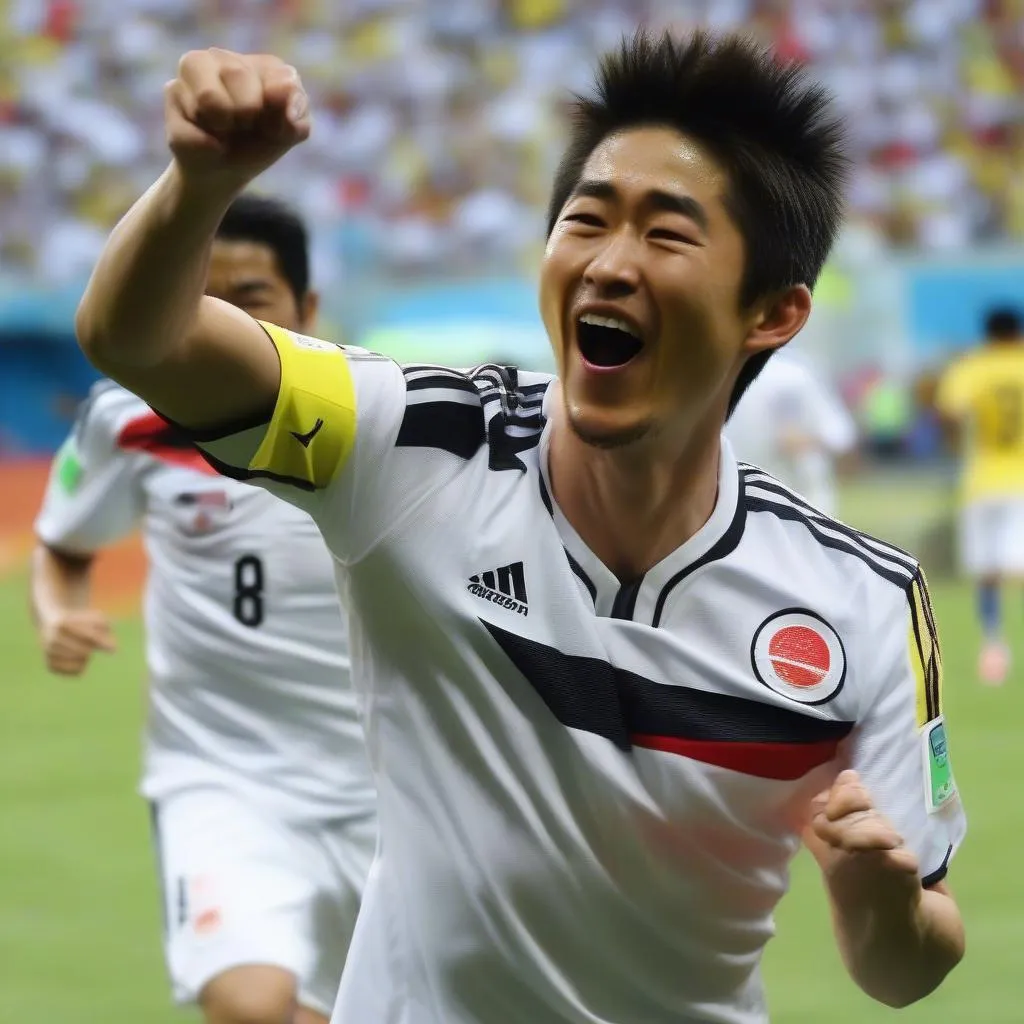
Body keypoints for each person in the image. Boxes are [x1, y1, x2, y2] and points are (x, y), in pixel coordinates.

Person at [73, 31, 966, 1024]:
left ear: (772, 312)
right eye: (588, 219)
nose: (610, 263)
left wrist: (877, 900)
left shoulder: (867, 602)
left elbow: (905, 967)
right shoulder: (409, 442)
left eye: (666, 234)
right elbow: (136, 337)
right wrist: (197, 186)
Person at [32, 194, 375, 1024]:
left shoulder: (381, 416)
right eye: (199, 295)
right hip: (224, 779)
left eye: (250, 297)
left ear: (308, 309)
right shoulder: (127, 422)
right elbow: (63, 546)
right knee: (249, 1007)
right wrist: (58, 611)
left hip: (389, 788)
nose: (220, 320)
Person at [935, 305, 1024, 685]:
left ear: (987, 334)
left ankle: (993, 645)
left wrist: (956, 444)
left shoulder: (972, 367)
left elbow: (949, 412)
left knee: (987, 572)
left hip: (982, 480)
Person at [724, 349, 857, 514]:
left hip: (805, 497)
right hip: (746, 497)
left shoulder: (795, 374)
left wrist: (806, 439)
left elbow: (840, 433)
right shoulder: (725, 374)